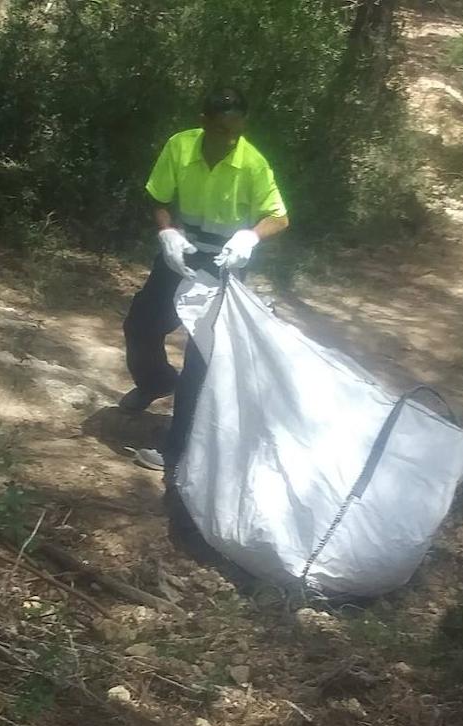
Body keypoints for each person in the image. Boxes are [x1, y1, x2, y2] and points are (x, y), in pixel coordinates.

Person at [119, 87, 289, 481]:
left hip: (227, 258)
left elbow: (278, 216)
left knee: (201, 354)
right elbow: (159, 197)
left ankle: (179, 447)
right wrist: (167, 234)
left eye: (235, 130)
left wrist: (250, 237)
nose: (228, 139)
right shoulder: (180, 147)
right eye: (219, 130)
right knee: (142, 325)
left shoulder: (253, 164)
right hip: (182, 250)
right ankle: (156, 381)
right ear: (204, 122)